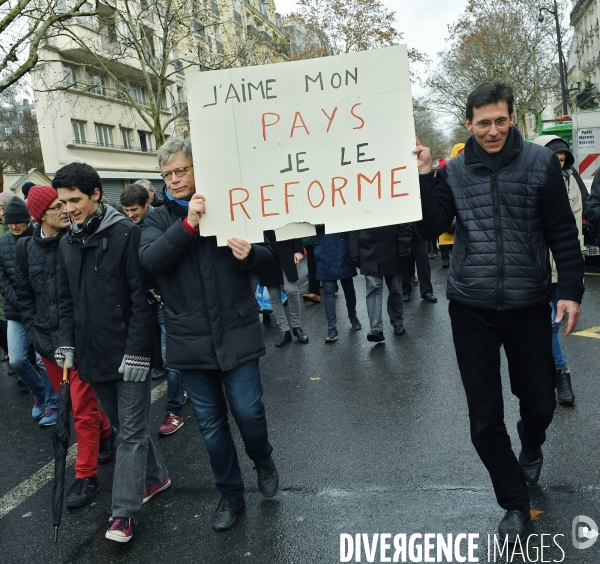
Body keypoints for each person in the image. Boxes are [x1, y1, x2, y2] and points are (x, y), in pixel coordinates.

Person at [413, 78, 584, 543]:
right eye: (483, 122)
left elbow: (562, 232)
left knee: (541, 400)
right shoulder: (452, 171)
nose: (492, 130)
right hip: (472, 307)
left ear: (513, 119)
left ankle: (532, 442)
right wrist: (427, 175)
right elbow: (431, 226)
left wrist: (569, 289)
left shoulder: (540, 163)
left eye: (501, 121)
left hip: (529, 303)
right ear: (469, 124)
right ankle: (513, 500)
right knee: (484, 416)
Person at [139, 137, 279, 532]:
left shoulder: (235, 205)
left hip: (235, 329)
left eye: (181, 170)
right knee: (212, 425)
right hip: (188, 338)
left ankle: (262, 458)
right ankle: (231, 494)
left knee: (249, 412)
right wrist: (188, 225)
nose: (175, 180)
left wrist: (251, 254)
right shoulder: (157, 217)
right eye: (167, 174)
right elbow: (150, 261)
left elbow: (271, 263)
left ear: (199, 168)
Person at [53, 162, 170, 543]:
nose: (68, 209)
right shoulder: (67, 243)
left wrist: (138, 352)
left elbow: (142, 300)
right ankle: (157, 477)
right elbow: (67, 302)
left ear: (96, 195)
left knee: (131, 433)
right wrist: (67, 343)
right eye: (63, 202)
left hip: (129, 355)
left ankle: (123, 515)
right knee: (123, 427)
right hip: (92, 356)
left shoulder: (126, 234)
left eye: (75, 200)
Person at [16, 185, 115, 509]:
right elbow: (25, 296)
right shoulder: (24, 248)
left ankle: (86, 475)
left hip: (77, 343)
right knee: (76, 407)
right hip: (46, 344)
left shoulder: (77, 241)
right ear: (39, 216)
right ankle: (105, 433)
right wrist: (33, 332)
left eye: (66, 203)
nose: (65, 210)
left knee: (81, 409)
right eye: (56, 206)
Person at [120, 183, 186, 435]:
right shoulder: (126, 230)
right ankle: (180, 389)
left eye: (134, 210)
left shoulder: (163, 222)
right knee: (164, 358)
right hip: (144, 302)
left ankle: (174, 411)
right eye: (125, 211)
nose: (130, 215)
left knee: (171, 358)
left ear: (147, 204)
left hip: (166, 300)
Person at [531, 135, 584, 405]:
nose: (558, 165)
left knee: (552, 325)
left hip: (561, 268)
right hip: (536, 269)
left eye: (562, 161)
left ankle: (561, 374)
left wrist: (575, 267)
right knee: (546, 326)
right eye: (554, 160)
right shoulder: (529, 179)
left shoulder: (570, 181)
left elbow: (574, 226)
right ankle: (559, 372)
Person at [0, 196, 58, 425]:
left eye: (19, 222)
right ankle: (40, 395)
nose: (14, 226)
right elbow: (2, 277)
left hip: (39, 310)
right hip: (15, 312)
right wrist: (18, 300)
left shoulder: (38, 237)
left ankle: (53, 405)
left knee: (44, 360)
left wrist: (33, 303)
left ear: (28, 220)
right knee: (16, 360)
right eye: (10, 222)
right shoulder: (2, 242)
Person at [349, 224, 412, 342]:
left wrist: (404, 242)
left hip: (392, 248)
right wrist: (354, 250)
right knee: (374, 288)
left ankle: (397, 321)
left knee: (395, 289)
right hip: (369, 249)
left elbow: (404, 219)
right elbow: (354, 221)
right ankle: (376, 328)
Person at [314, 227, 361, 342]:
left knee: (348, 285)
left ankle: (352, 316)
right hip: (325, 245)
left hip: (341, 242)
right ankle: (332, 328)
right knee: (328, 290)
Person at [262, 233, 309, 347]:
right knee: (273, 294)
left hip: (284, 245)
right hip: (264, 250)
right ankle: (285, 331)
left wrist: (298, 249)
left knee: (291, 290)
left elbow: (292, 222)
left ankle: (296, 327)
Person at [438, 143, 465, 269]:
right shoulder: (446, 175)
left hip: (462, 229)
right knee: (444, 242)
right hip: (448, 222)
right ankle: (445, 259)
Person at [401, 224, 437, 303]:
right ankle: (405, 291)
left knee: (423, 260)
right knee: (405, 260)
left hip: (420, 229)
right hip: (402, 230)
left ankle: (427, 291)